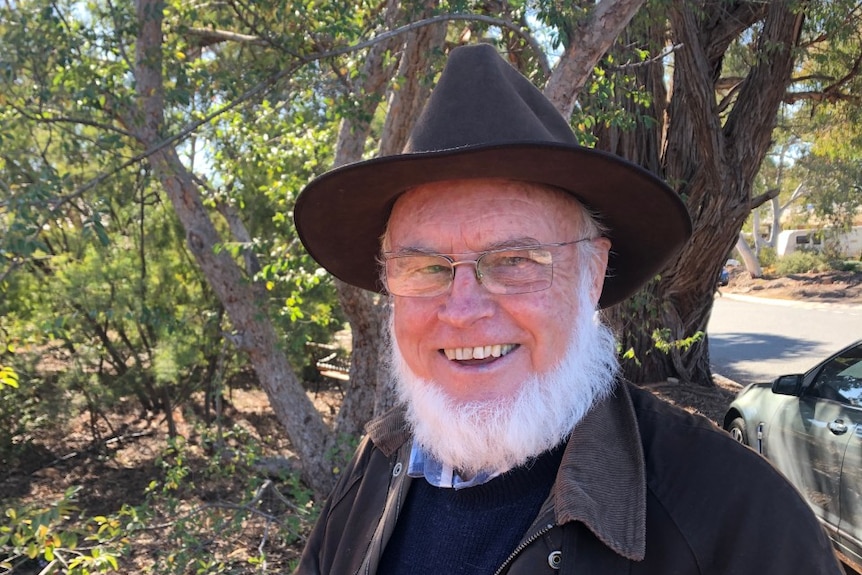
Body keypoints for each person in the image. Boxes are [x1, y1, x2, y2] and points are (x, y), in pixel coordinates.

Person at [292, 44, 843, 574]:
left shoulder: (740, 521)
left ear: (593, 272)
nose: (461, 311)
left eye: (513, 260)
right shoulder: (378, 462)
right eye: (427, 268)